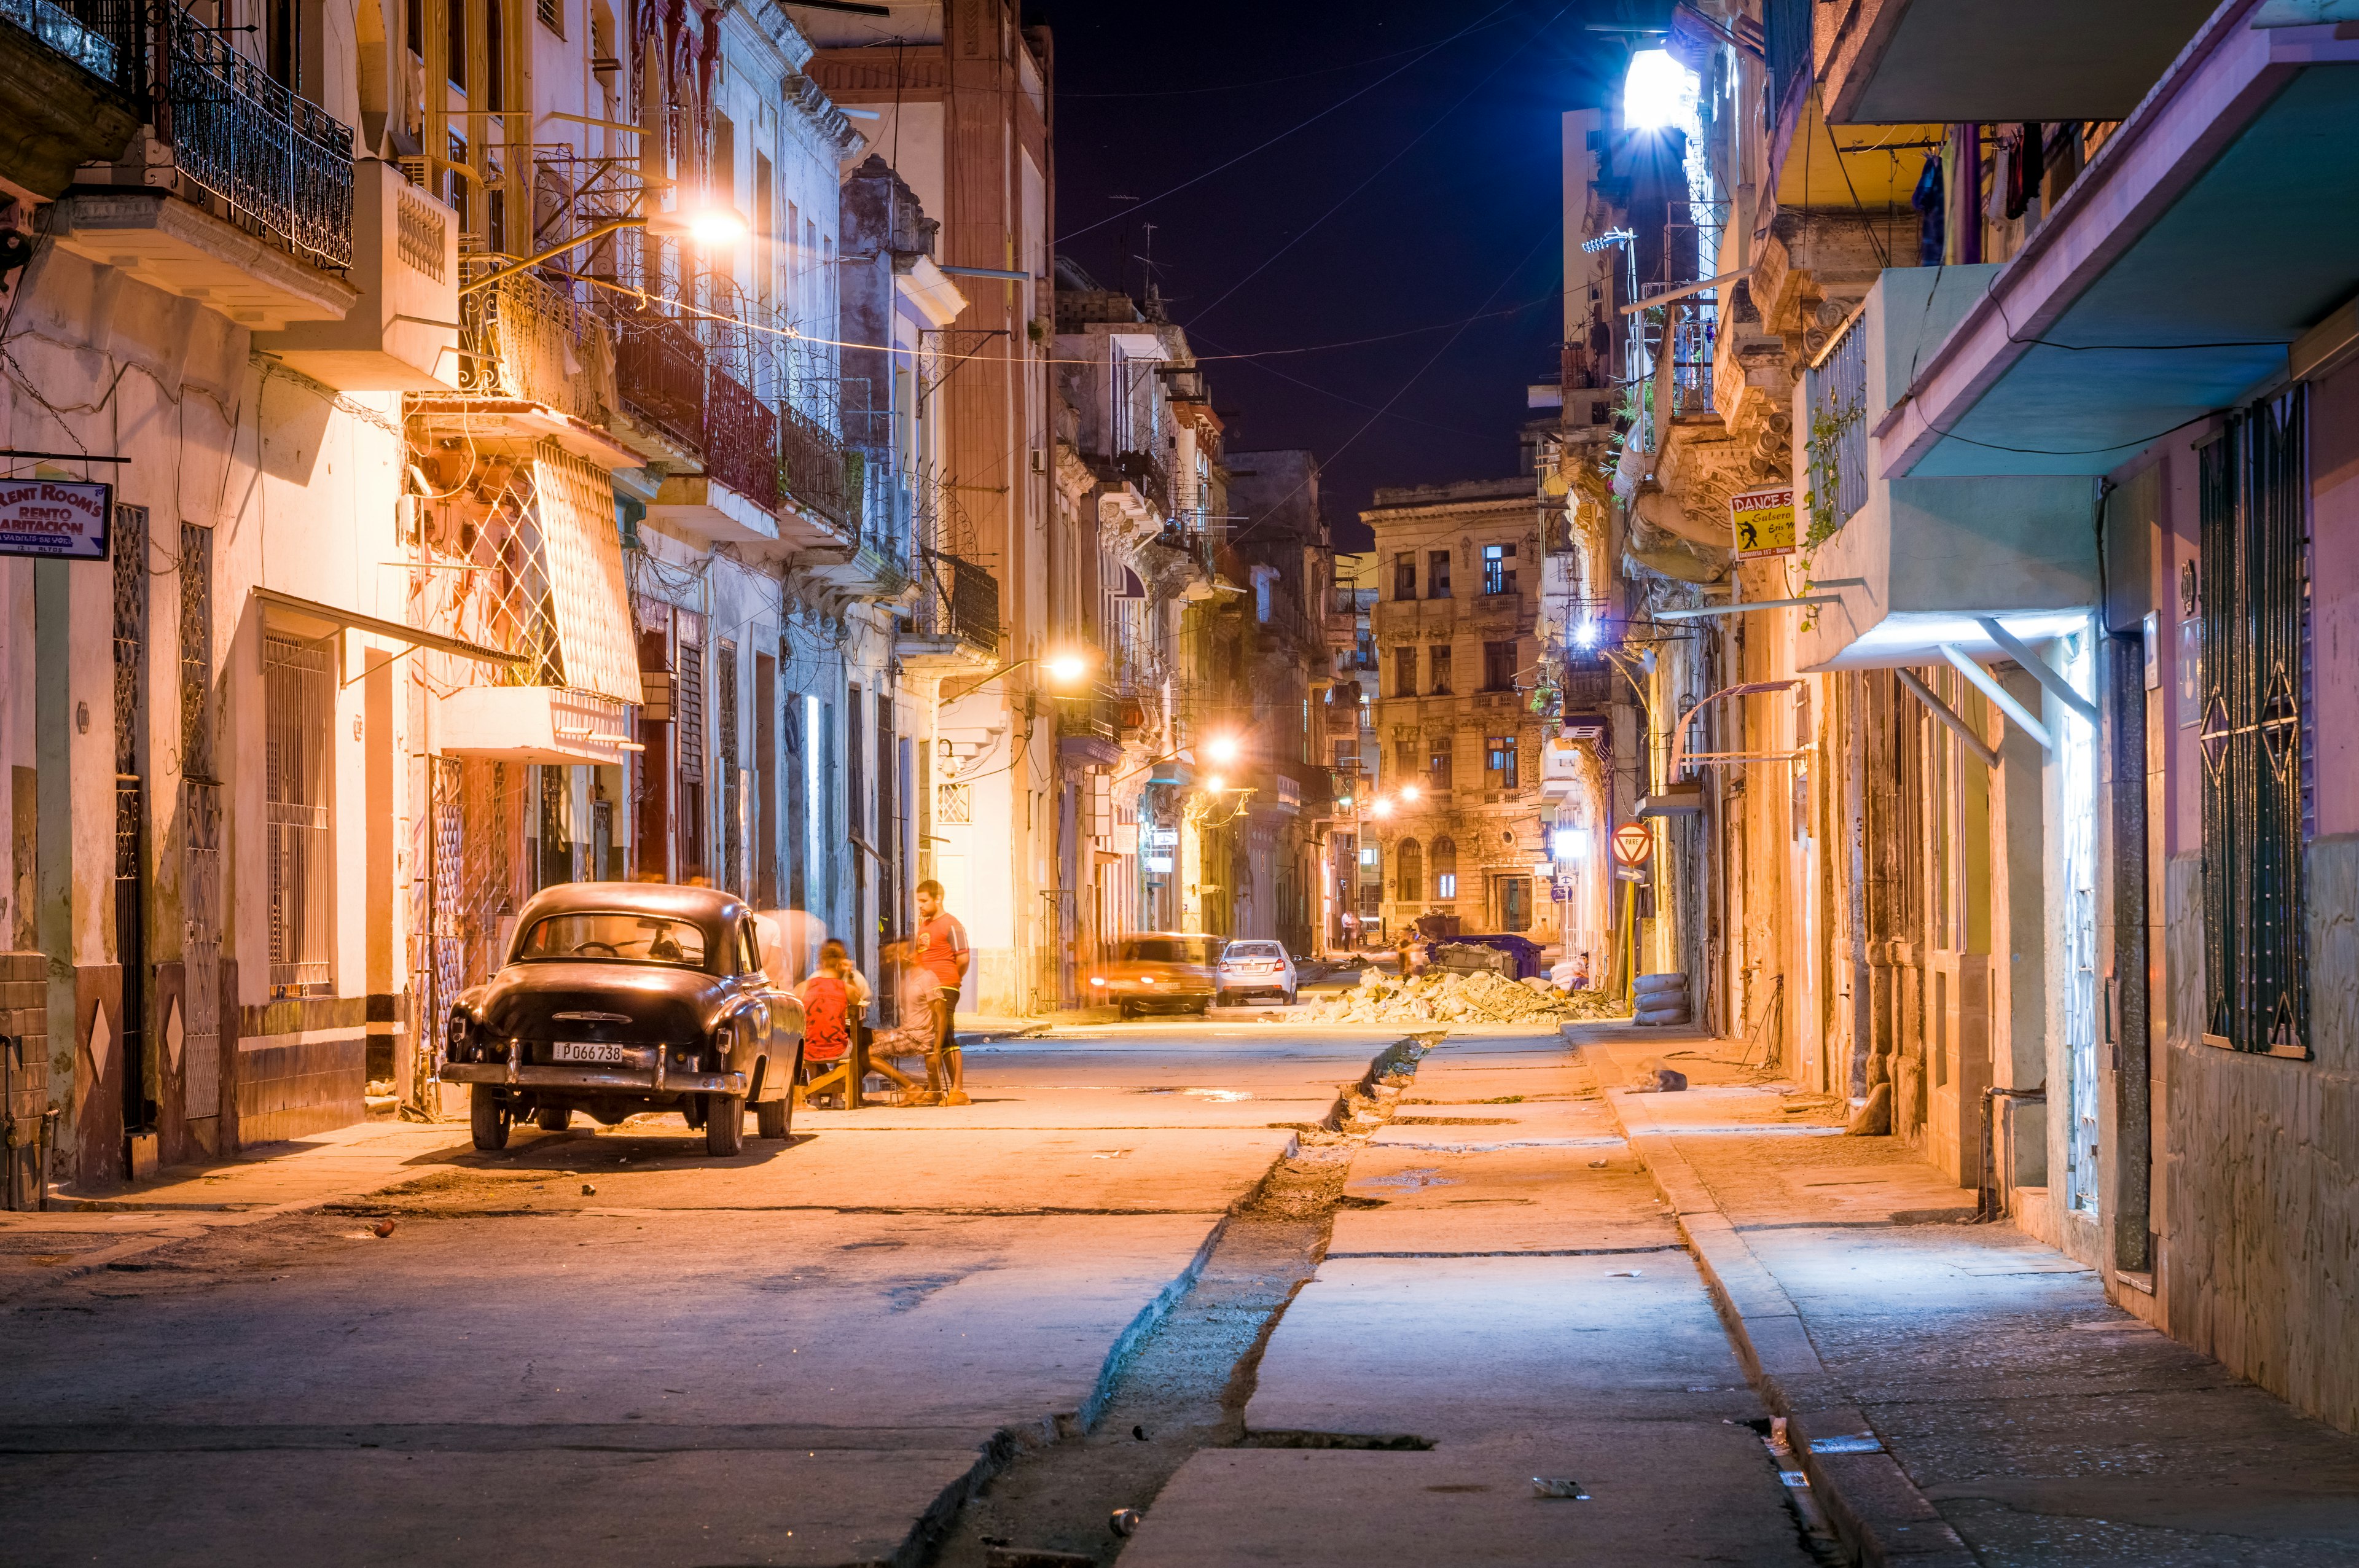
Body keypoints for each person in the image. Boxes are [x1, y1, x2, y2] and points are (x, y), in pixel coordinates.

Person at [912, 879, 971, 1106]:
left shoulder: (952, 925)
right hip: (925, 989)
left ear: (938, 899)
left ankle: (959, 1091)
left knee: (946, 1036)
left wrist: (951, 979)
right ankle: (935, 1089)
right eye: (919, 902)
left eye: (924, 901)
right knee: (929, 1037)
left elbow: (963, 959)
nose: (921, 906)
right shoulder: (924, 927)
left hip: (945, 987)